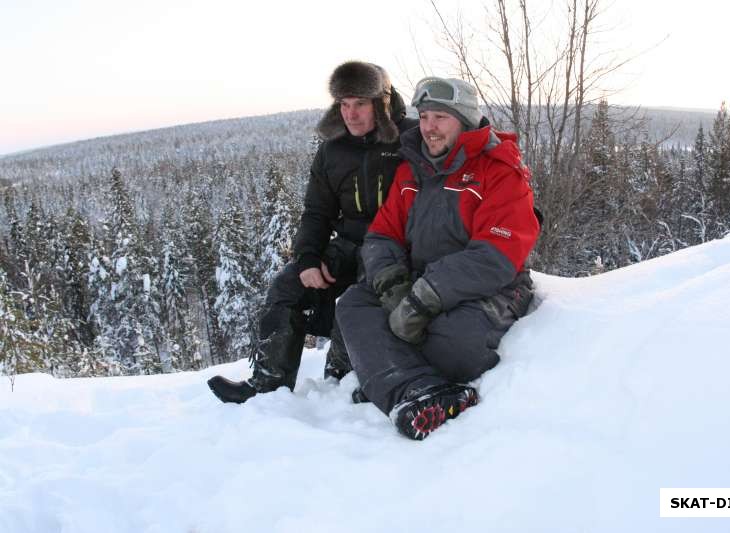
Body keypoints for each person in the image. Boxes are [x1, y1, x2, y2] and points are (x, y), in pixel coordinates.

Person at [336, 76, 541, 440]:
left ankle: (384, 376)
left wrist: (424, 298)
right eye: (425, 116)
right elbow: (382, 235)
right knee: (353, 304)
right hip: (419, 281)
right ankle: (415, 391)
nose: (429, 127)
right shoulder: (411, 170)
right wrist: (394, 287)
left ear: (464, 121)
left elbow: (495, 256)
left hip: (491, 287)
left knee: (456, 343)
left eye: (440, 118)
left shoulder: (497, 171)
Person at [207, 61, 417, 404]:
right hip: (348, 246)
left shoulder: (411, 137)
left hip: (395, 247)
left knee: (361, 298)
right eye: (344, 104)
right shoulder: (333, 149)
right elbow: (317, 212)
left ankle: (348, 377)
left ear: (381, 102)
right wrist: (307, 259)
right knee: (287, 286)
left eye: (360, 103)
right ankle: (267, 385)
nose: (350, 114)